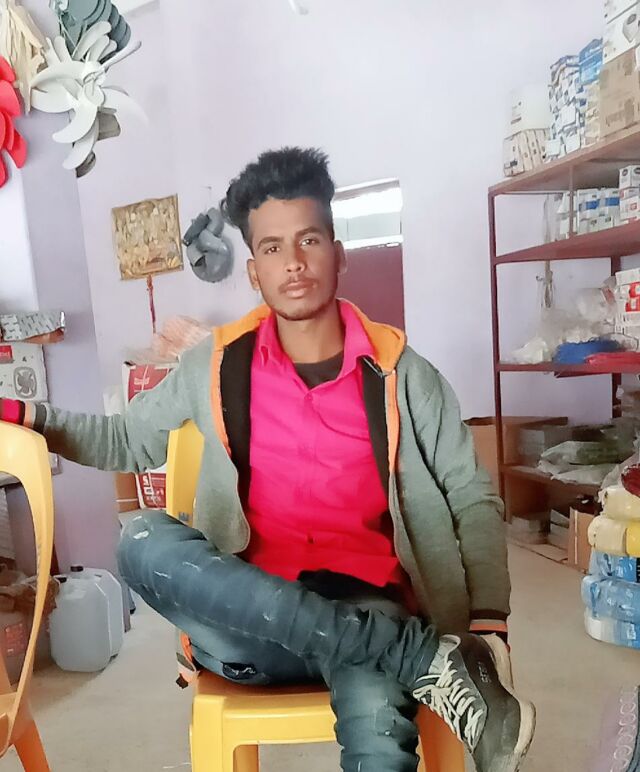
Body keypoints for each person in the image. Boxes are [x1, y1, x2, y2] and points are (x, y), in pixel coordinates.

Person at [0, 148, 535, 772]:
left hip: (372, 605)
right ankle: (418, 659)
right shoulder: (216, 365)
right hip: (249, 621)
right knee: (141, 539)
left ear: (338, 253)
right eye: (274, 247)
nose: (295, 263)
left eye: (309, 239)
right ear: (254, 272)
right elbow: (126, 441)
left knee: (379, 735)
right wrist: (27, 414)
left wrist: (488, 623)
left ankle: (399, 652)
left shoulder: (405, 375)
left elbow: (471, 496)